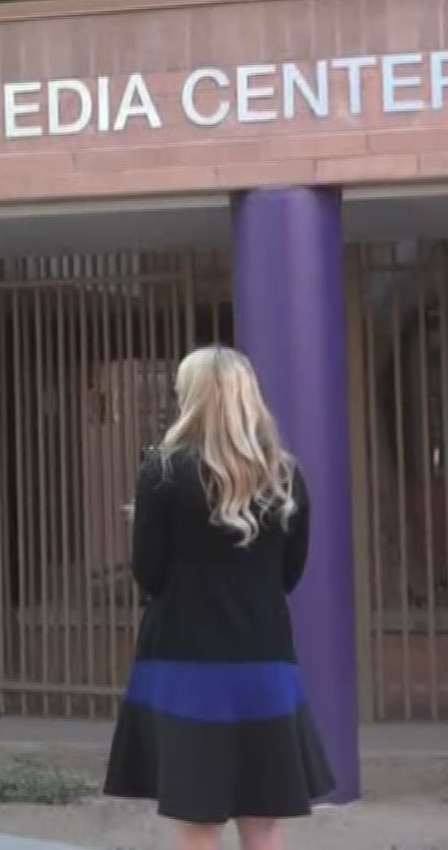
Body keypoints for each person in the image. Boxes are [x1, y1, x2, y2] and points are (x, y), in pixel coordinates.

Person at [103, 345, 334, 850]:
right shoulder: (285, 473)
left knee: (197, 822)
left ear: (191, 397)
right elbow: (289, 575)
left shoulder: (161, 470)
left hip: (183, 666)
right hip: (264, 660)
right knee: (265, 823)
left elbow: (150, 574)